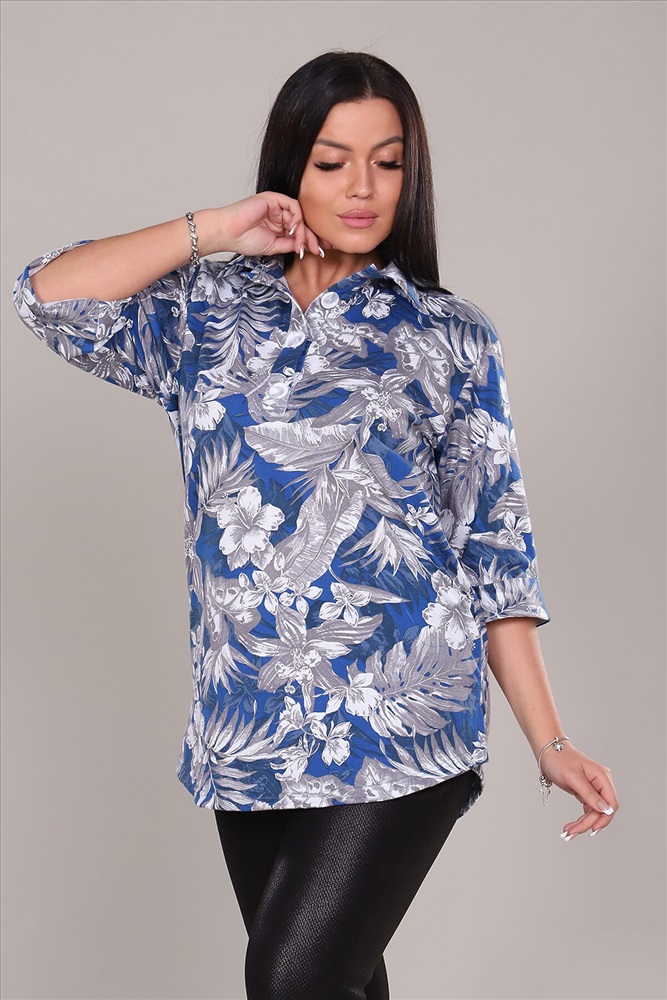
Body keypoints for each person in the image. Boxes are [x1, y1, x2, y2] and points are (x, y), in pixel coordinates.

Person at [12, 49, 618, 1000]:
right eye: (333, 162)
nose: (362, 188)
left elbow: (495, 553)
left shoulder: (449, 336)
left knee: (290, 982)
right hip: (248, 718)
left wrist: (550, 744)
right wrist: (218, 229)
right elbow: (47, 296)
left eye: (388, 161)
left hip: (400, 714)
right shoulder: (207, 312)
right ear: (291, 165)